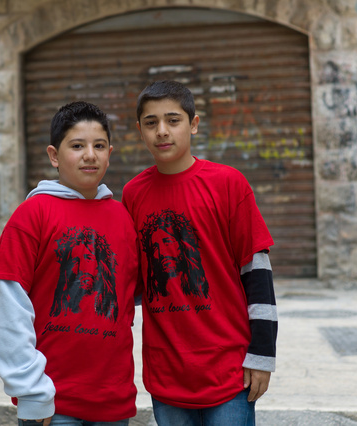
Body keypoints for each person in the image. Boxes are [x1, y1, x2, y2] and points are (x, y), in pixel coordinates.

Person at [122, 80, 277, 426]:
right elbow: (134, 282)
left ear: (193, 124)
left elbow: (258, 273)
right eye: (151, 123)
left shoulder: (228, 184)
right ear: (140, 130)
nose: (162, 131)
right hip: (166, 372)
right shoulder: (133, 194)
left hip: (229, 371)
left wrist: (262, 356)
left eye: (173, 120)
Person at [0, 101, 138, 426]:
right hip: (52, 403)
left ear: (109, 153)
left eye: (99, 146)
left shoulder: (122, 217)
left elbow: (128, 301)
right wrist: (32, 392)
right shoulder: (33, 215)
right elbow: (9, 307)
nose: (90, 155)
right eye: (77, 146)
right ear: (54, 156)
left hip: (114, 401)